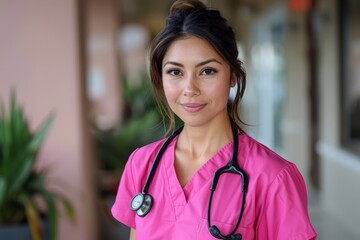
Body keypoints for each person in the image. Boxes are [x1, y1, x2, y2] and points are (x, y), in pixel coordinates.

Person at [111, 0, 317, 239]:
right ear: (161, 78)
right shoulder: (142, 164)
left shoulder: (272, 177)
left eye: (207, 71)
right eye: (175, 72)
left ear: (233, 75)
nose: (190, 88)